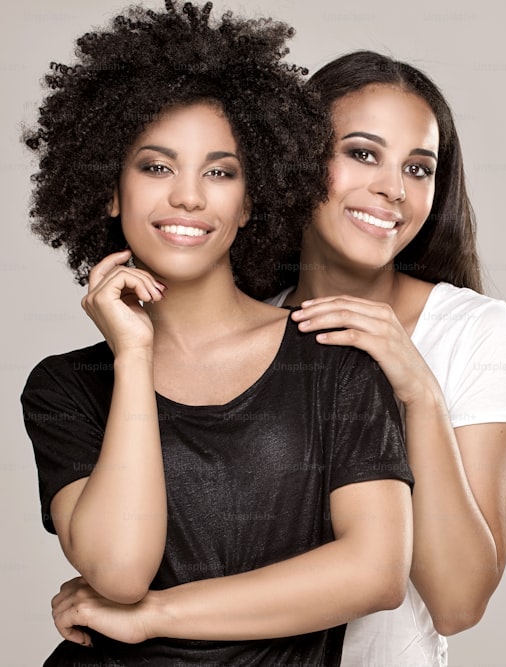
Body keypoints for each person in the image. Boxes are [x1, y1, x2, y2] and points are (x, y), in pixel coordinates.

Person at [21, 4, 413, 665]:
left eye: (221, 171)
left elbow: (376, 571)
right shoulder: (66, 386)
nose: (188, 197)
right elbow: (118, 569)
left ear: (251, 199)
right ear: (110, 191)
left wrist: (158, 616)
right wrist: (134, 353)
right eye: (155, 166)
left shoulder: (335, 360)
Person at [270, 51, 506, 665]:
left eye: (419, 168)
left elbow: (459, 602)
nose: (392, 188)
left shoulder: (477, 330)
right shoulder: (246, 322)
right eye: (362, 153)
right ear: (298, 157)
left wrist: (417, 389)